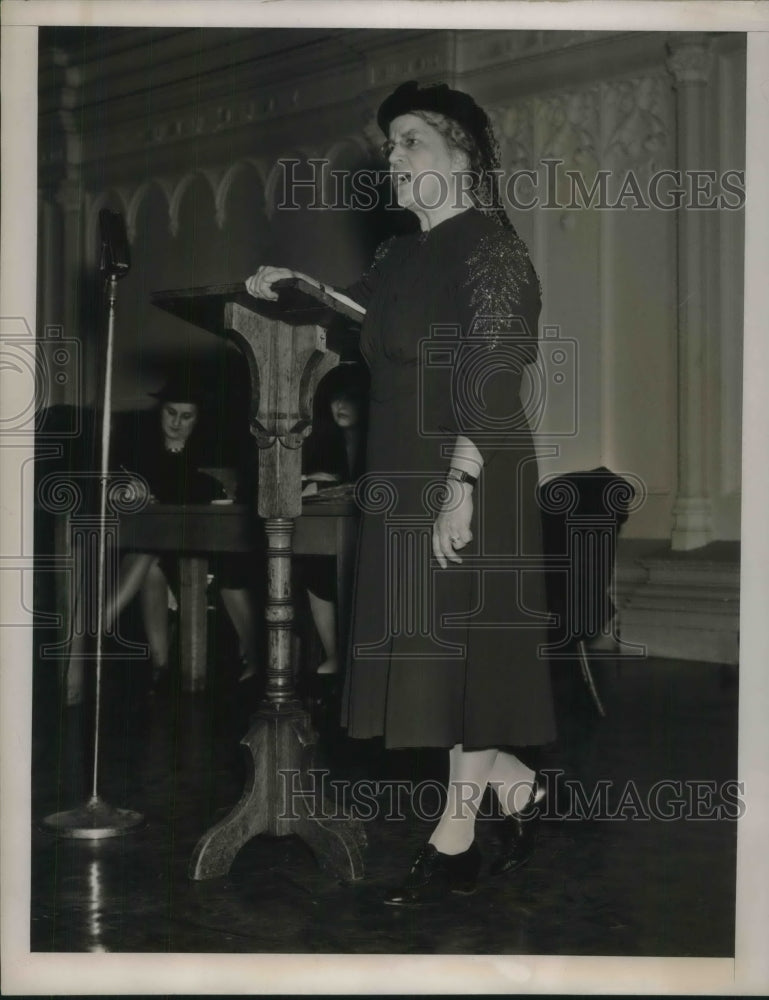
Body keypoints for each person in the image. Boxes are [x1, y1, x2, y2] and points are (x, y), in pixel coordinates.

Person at [246, 80, 556, 905]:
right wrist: (302, 289)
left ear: (464, 155)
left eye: (412, 140)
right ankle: (522, 789)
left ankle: (452, 842)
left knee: (458, 660)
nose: (395, 156)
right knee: (427, 661)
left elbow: (490, 370)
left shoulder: (489, 246)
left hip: (470, 465)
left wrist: (460, 484)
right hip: (397, 470)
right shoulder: (399, 254)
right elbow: (378, 322)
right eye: (391, 144)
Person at [66, 375, 261, 699]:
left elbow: (203, 491)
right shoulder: (140, 443)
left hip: (200, 547)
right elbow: (117, 479)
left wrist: (156, 491)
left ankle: (96, 628)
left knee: (150, 555)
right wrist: (125, 489)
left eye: (187, 417)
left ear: (198, 420)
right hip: (146, 545)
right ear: (160, 412)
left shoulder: (207, 450)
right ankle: (159, 665)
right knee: (149, 560)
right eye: (170, 413)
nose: (176, 422)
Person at [299, 363, 369, 676]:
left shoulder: (377, 444)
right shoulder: (324, 442)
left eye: (350, 398)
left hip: (367, 539)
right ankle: (334, 653)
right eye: (335, 399)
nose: (340, 406)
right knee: (314, 567)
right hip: (330, 537)